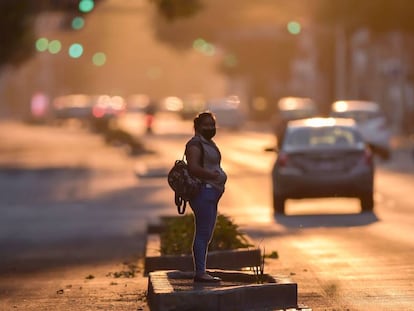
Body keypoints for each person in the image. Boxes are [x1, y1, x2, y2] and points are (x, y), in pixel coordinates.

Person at [185, 111, 227, 283]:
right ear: (198, 126)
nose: (210, 128)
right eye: (206, 125)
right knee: (202, 233)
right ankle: (200, 272)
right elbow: (193, 168)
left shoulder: (207, 143)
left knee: (206, 233)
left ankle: (202, 270)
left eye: (212, 124)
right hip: (203, 192)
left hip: (212, 191)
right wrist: (211, 175)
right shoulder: (195, 144)